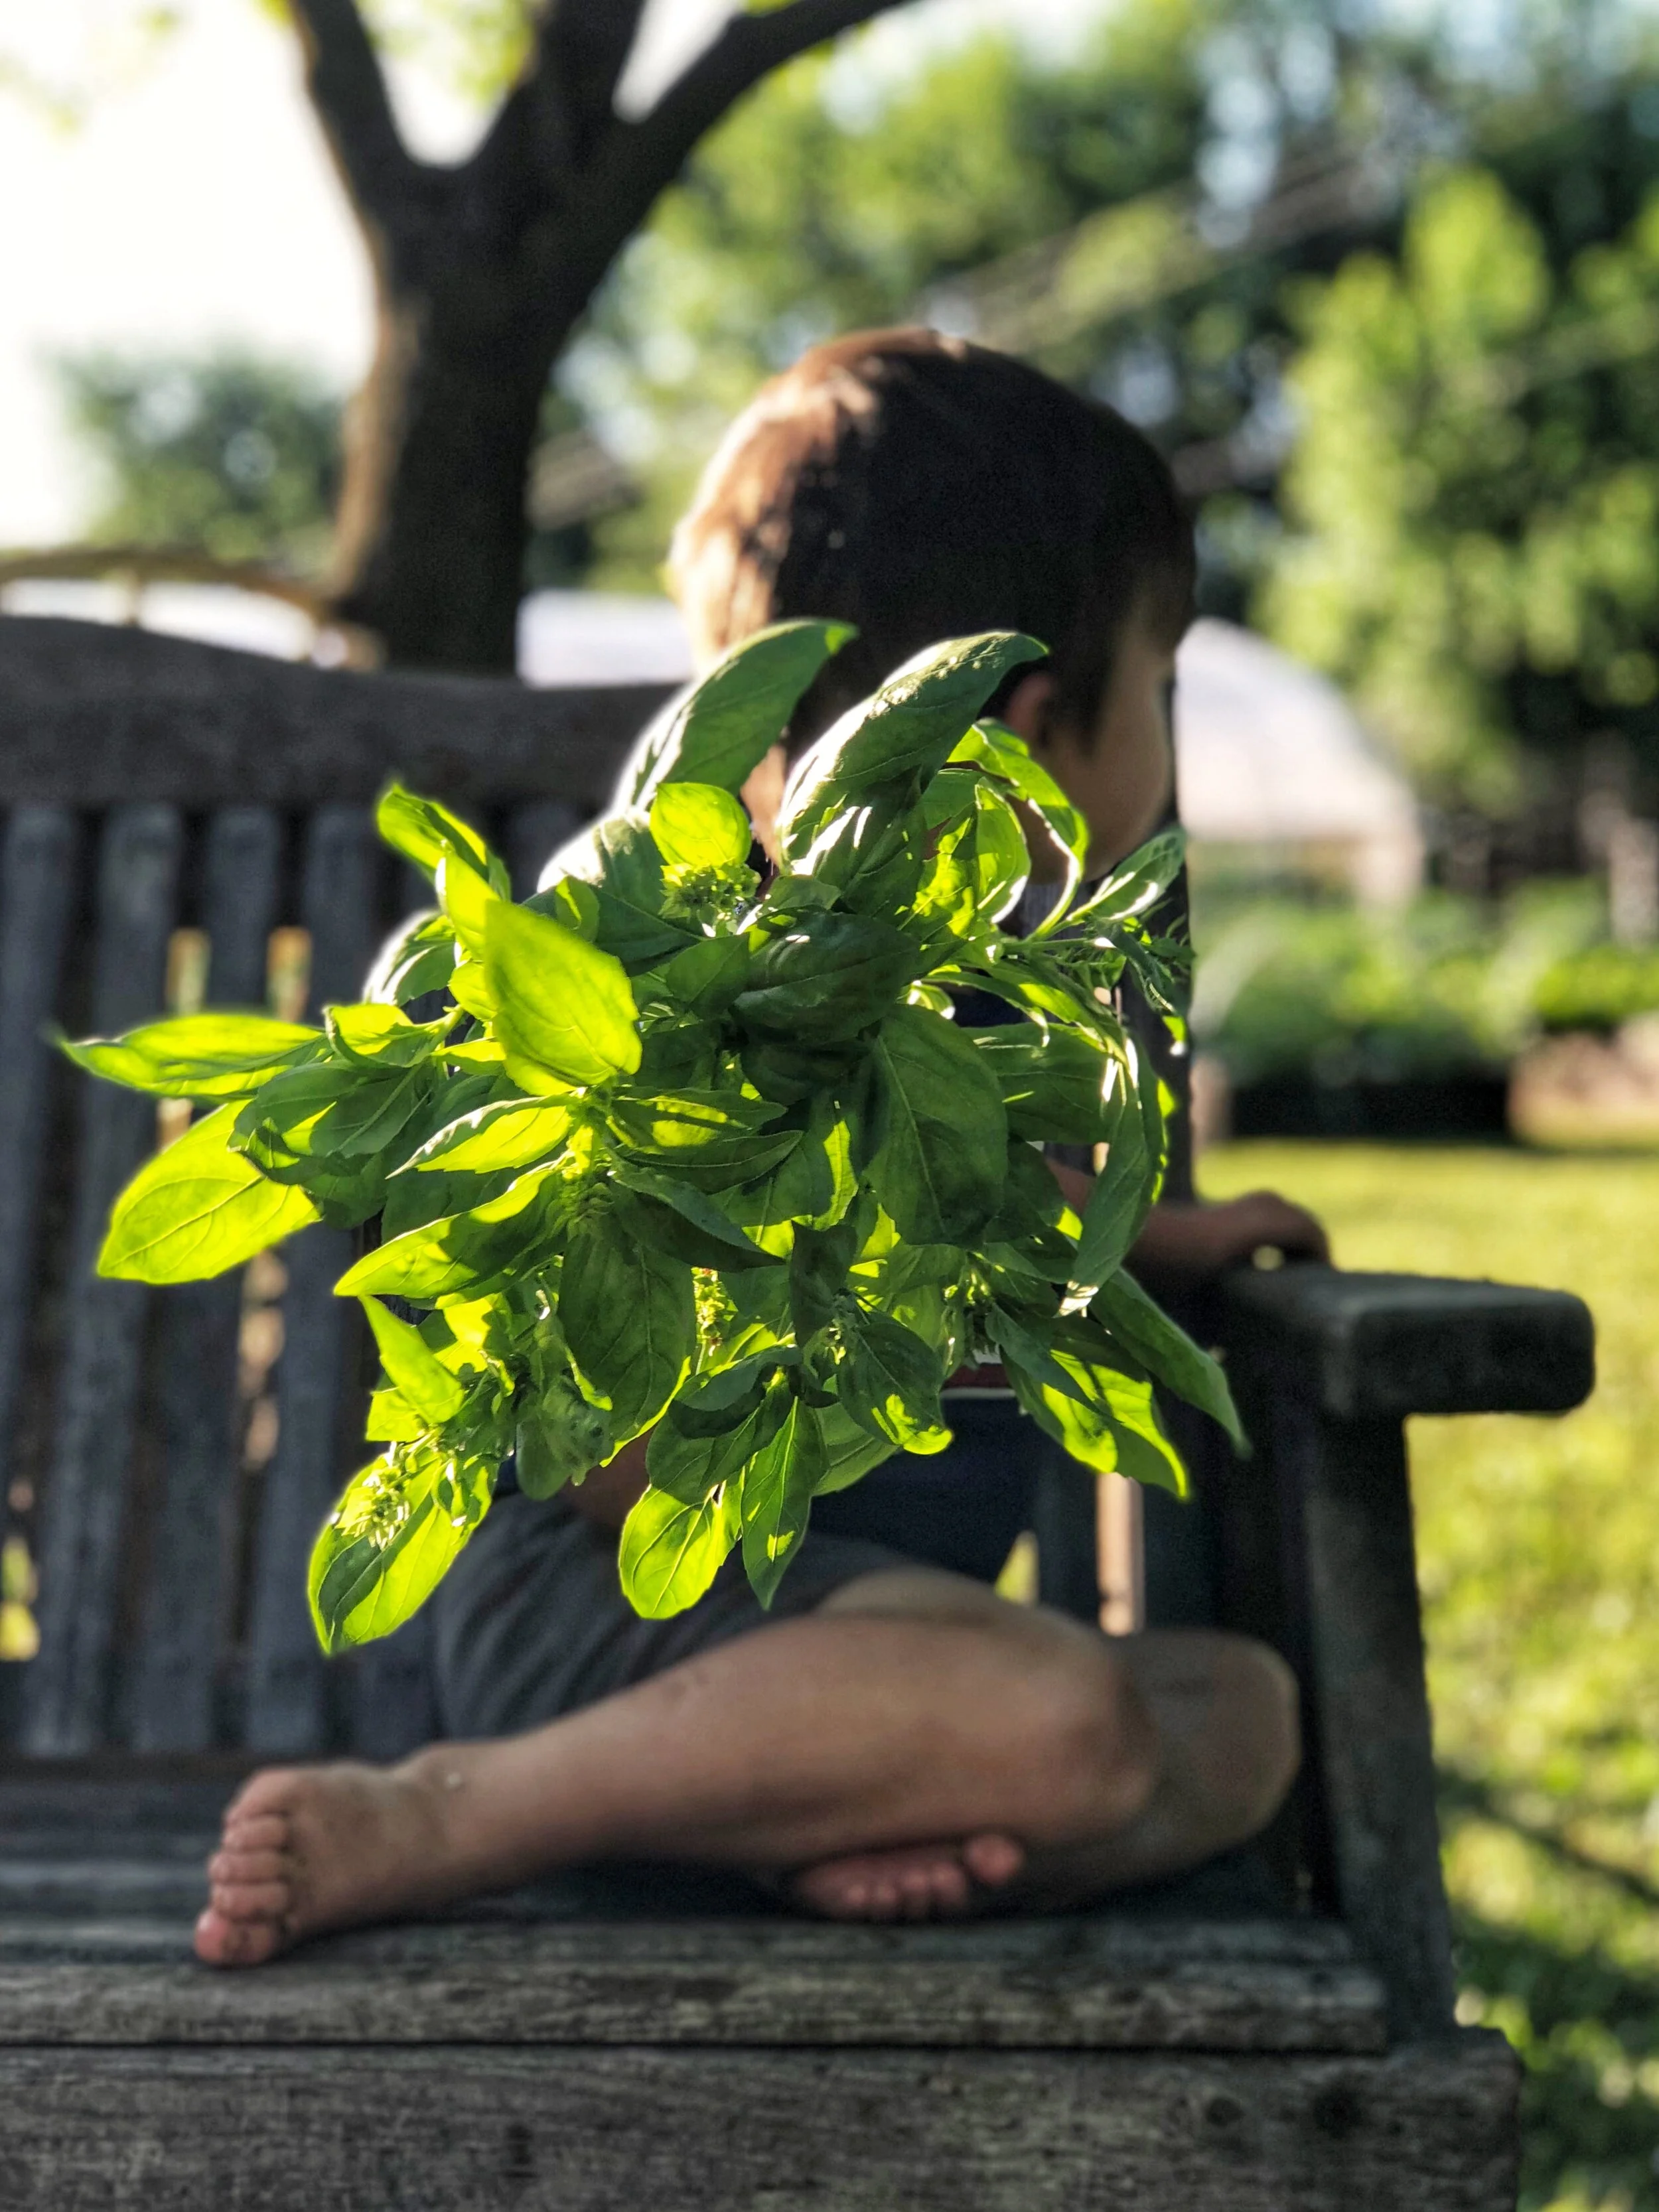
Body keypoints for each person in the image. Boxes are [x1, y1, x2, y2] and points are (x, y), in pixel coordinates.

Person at [194, 330, 1325, 1970]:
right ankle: (458, 1814)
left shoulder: (1012, 998)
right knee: (1059, 1715)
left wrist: (1148, 1237)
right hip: (612, 1641)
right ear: (1018, 726)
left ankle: (844, 1830)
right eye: (1154, 685)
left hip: (877, 1650)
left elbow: (1038, 1196)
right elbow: (618, 1480)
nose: (1165, 736)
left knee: (1245, 1715)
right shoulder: (695, 984)